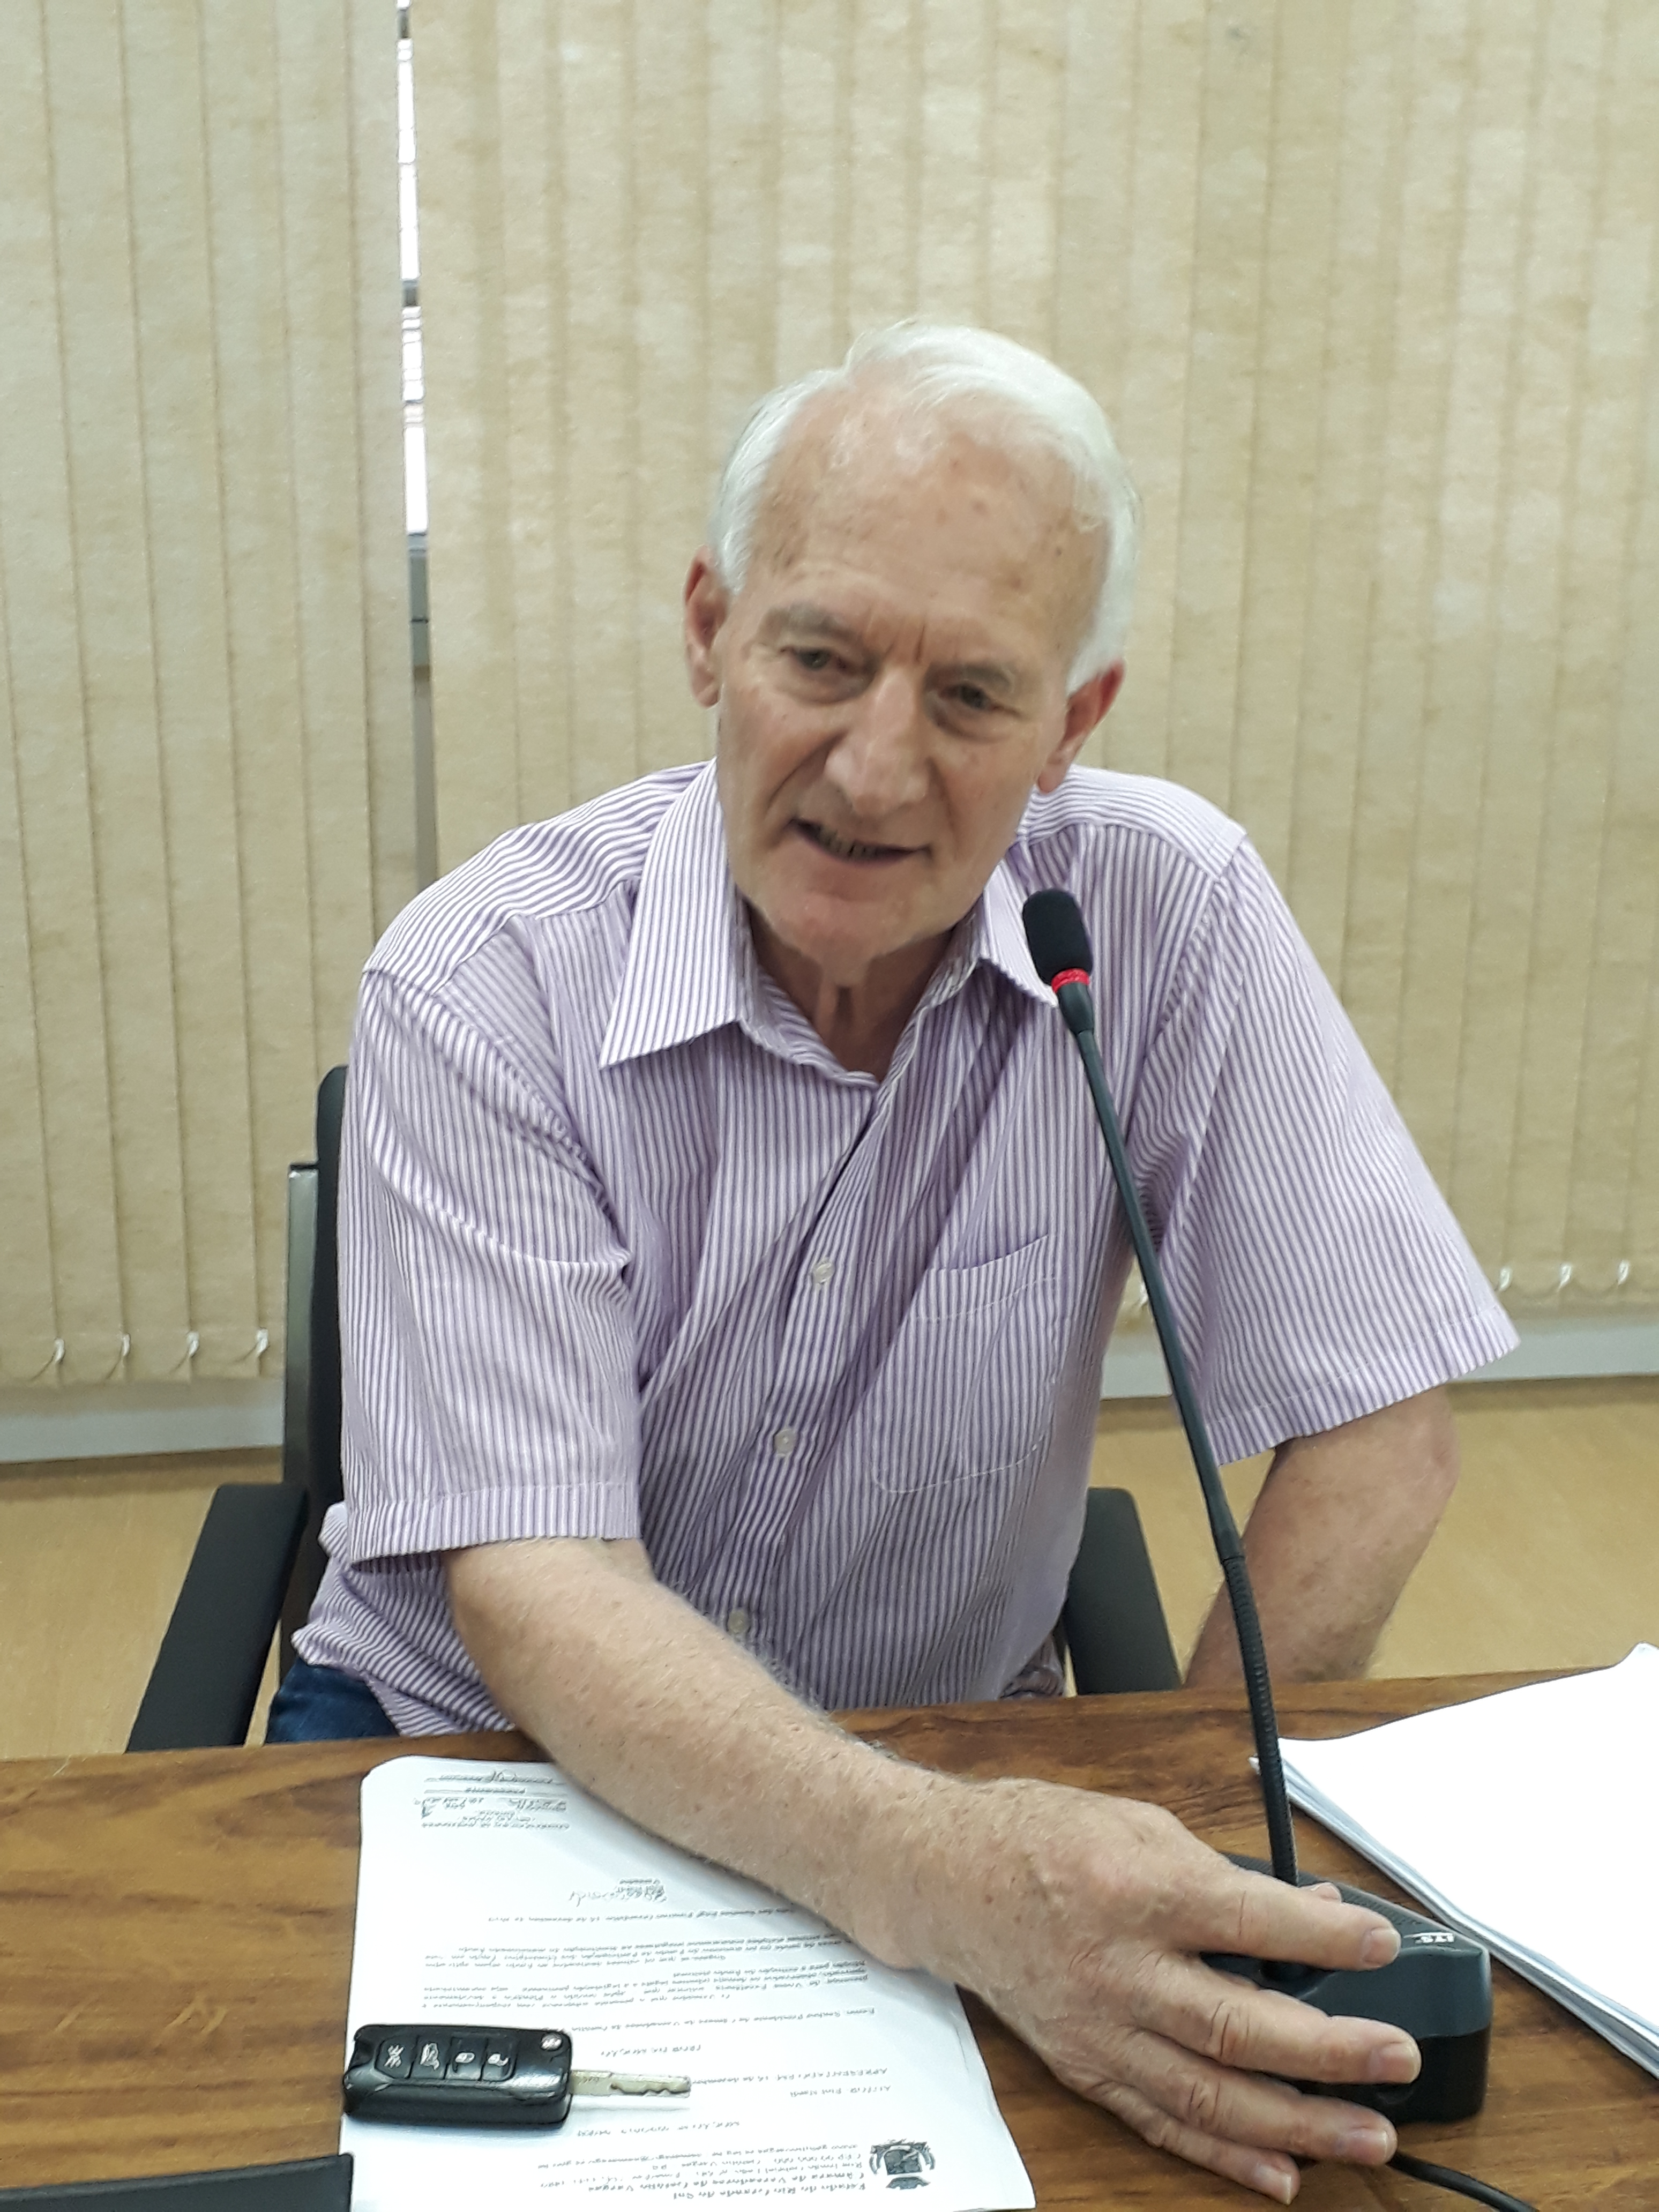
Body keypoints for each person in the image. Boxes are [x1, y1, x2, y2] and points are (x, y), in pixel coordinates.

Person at [276, 324, 1516, 2200]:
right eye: (822, 660)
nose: (875, 768)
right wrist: (962, 1879)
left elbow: (1380, 1433)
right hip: (486, 1762)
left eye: (973, 695)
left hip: (955, 1769)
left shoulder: (1164, 912)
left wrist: (1173, 1843)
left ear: (1074, 722)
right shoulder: (484, 979)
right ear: (712, 632)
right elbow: (541, 1586)